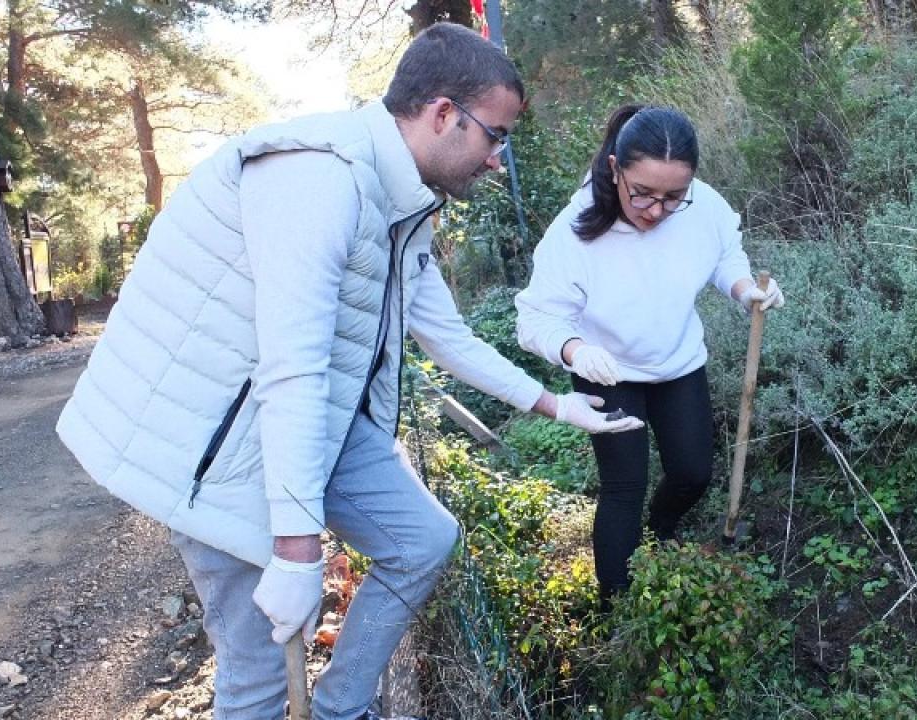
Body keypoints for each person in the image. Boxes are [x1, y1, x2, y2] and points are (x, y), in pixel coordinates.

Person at [56, 22, 641, 720]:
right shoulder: (318, 179)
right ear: (444, 115)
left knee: (421, 541)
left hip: (316, 420)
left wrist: (555, 405)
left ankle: (340, 709)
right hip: (222, 448)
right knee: (260, 680)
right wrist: (298, 553)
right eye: (496, 134)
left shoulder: (404, 203)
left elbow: (447, 337)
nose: (497, 159)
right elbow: (293, 366)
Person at [514, 104, 785, 601]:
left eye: (673, 197)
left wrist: (745, 289)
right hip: (607, 371)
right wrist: (574, 350)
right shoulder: (574, 231)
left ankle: (661, 534)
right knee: (624, 488)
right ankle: (616, 608)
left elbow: (725, 256)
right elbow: (534, 320)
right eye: (642, 194)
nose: (656, 210)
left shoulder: (703, 208)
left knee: (693, 472)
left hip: (677, 362)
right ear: (615, 169)